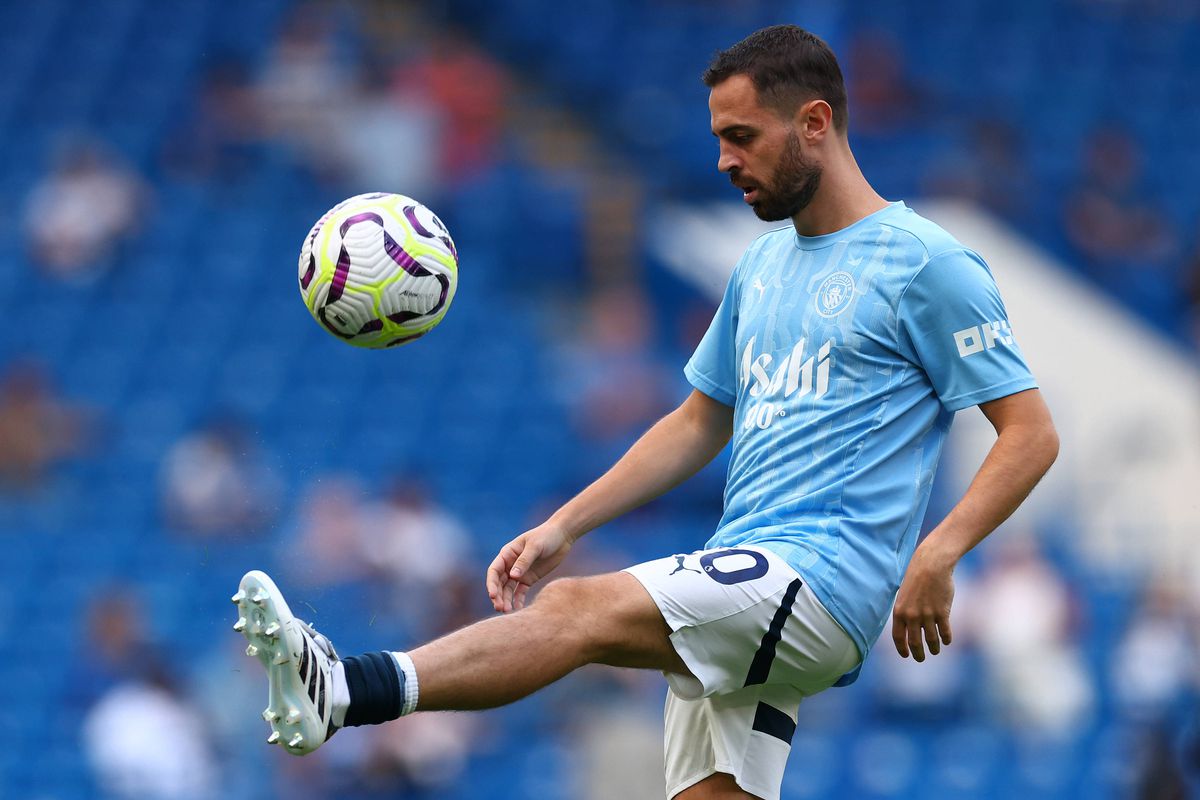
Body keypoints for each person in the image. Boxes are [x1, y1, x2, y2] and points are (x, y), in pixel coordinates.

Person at [232, 25, 1058, 800]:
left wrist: (941, 552)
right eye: (718, 140)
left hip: (817, 581)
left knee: (575, 613)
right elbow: (698, 422)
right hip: (750, 573)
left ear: (815, 122)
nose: (727, 161)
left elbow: (1030, 434)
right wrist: (567, 525)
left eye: (743, 137)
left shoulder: (926, 263)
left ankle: (347, 687)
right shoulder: (763, 265)